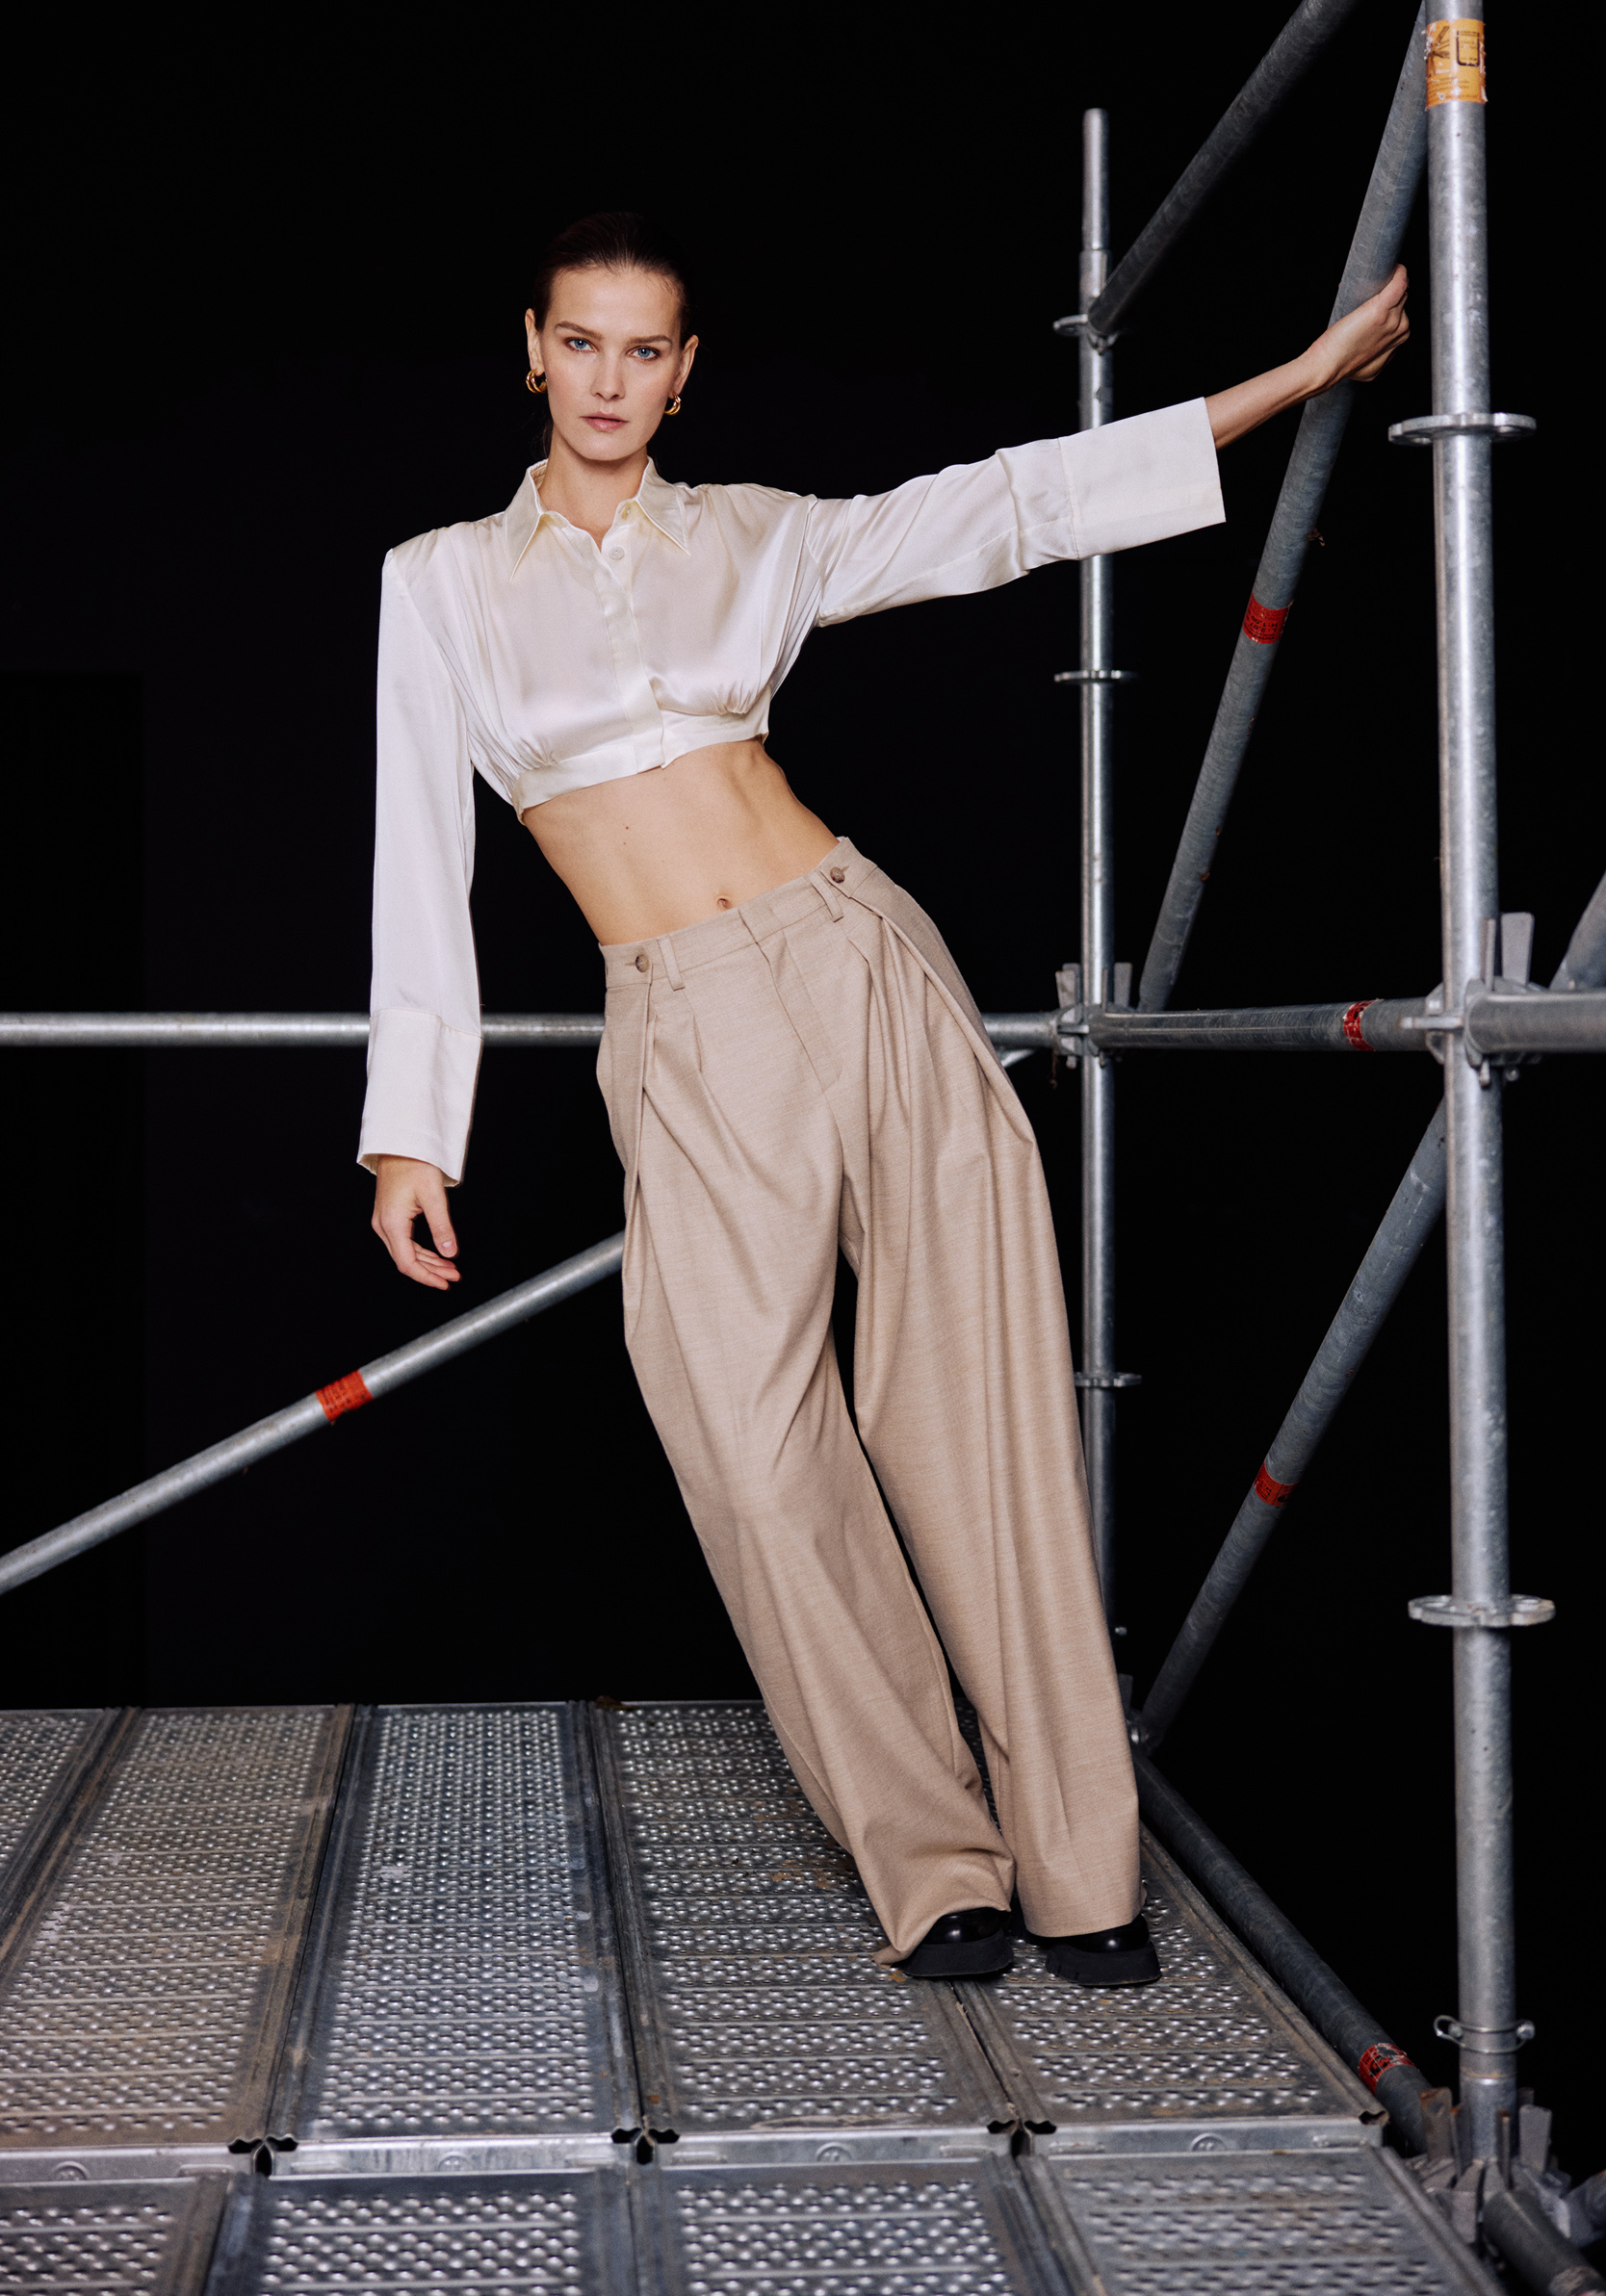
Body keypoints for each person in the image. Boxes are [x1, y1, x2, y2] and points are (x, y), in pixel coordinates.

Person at [360, 212, 1409, 1983]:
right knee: (752, 1455)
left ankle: (1080, 1868)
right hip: (684, 1026)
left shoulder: (761, 537)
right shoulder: (440, 581)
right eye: (581, 343)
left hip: (860, 960)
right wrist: (413, 1127)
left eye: (645, 350)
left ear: (684, 373)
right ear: (530, 350)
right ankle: (937, 1859)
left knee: (972, 1416)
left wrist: (1298, 379)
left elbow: (1012, 507)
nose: (610, 380)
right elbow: (418, 857)